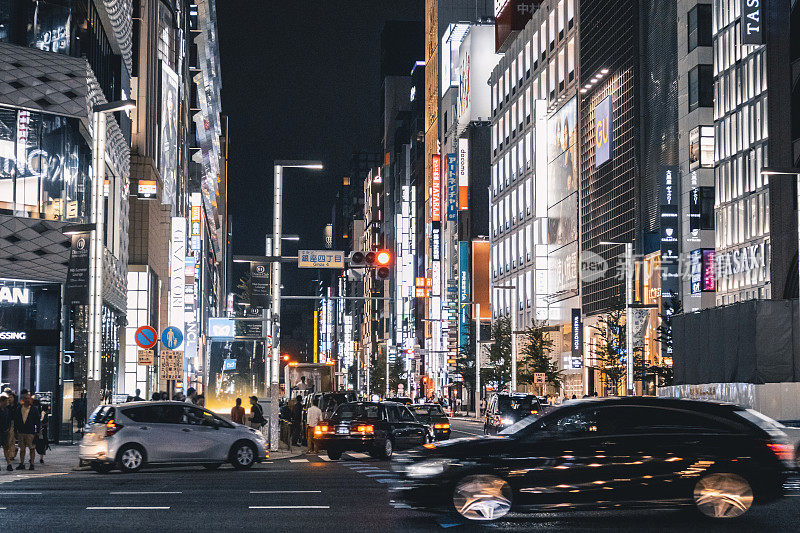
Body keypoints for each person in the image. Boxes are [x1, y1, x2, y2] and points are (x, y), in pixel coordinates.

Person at [13, 392, 40, 470]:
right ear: (23, 400)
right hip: (21, 431)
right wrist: (15, 431)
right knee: (22, 449)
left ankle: (32, 463)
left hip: (30, 432)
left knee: (32, 448)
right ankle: (22, 463)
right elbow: (16, 420)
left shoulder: (34, 409)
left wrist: (38, 431)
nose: (27, 400)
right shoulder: (19, 409)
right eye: (26, 399)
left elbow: (37, 421)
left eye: (29, 399)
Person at [0, 394, 14, 471]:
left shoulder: (7, 410)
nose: (7, 403)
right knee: (5, 448)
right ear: (2, 402)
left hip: (5, 432)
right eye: (6, 401)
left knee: (6, 448)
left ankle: (9, 464)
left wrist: (8, 429)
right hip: (1, 431)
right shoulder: (5, 410)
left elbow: (8, 420)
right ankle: (8, 464)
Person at [33, 399, 49, 464]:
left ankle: (32, 458)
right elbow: (44, 420)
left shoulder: (33, 410)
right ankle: (41, 458)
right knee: (41, 444)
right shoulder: (43, 412)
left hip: (35, 429)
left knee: (34, 443)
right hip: (41, 430)